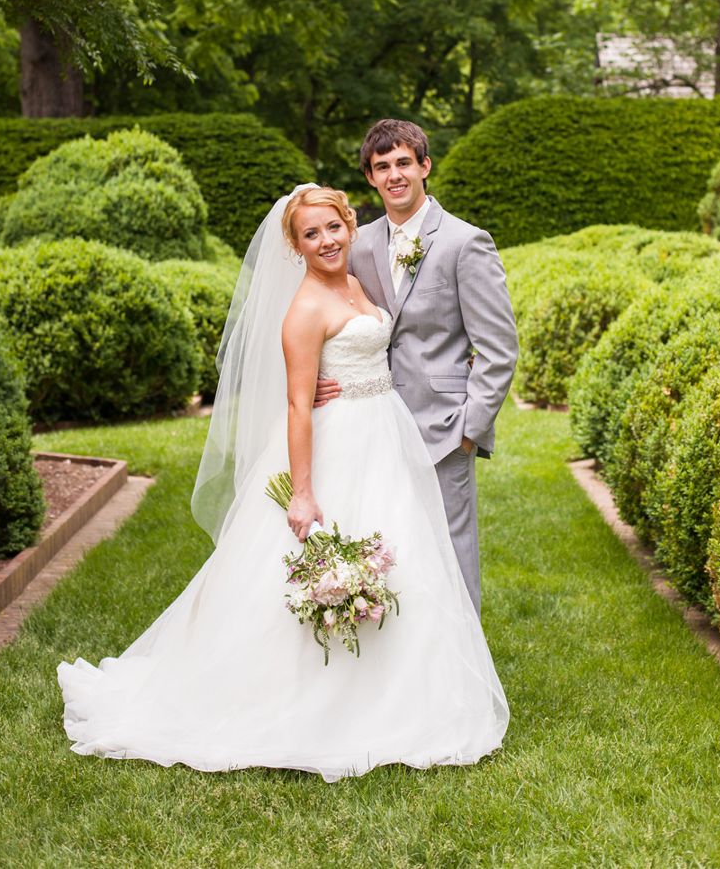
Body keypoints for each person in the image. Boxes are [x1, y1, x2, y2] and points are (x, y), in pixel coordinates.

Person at [58, 185, 509, 781]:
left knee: (404, 559)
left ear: (350, 226)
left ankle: (404, 691)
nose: (326, 241)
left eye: (333, 227)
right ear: (295, 246)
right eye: (311, 234)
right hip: (337, 445)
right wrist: (301, 492)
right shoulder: (302, 310)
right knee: (323, 566)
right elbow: (299, 406)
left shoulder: (357, 283)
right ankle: (310, 701)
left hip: (386, 436)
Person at [315, 120, 518, 614]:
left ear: (425, 166)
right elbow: (332, 315)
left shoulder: (466, 243)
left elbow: (499, 347)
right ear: (370, 177)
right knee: (390, 548)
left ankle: (463, 678)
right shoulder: (358, 245)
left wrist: (469, 429)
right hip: (373, 425)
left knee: (449, 553)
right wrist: (318, 378)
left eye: (404, 162)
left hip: (443, 427)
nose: (394, 175)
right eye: (382, 167)